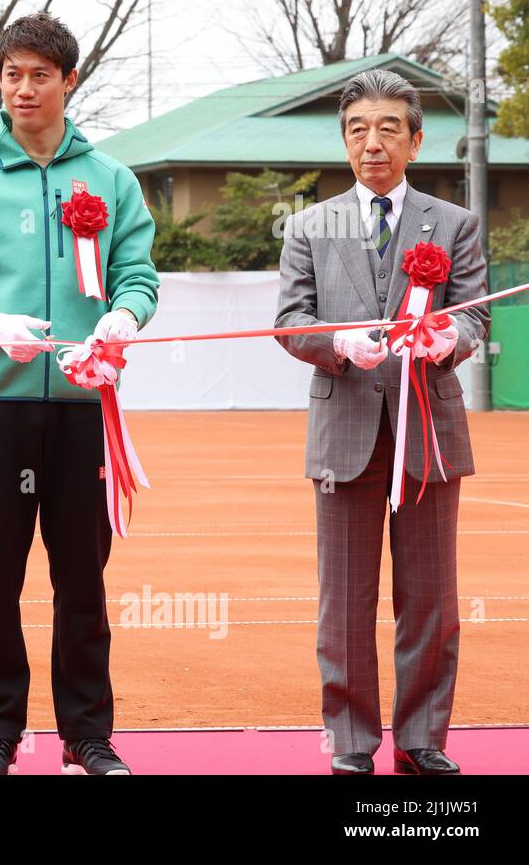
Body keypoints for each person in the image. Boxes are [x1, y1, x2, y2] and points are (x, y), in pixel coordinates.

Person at [0, 13, 159, 775]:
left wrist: (121, 317)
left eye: (40, 76)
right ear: (0, 81)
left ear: (68, 82)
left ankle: (87, 736)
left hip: (87, 410)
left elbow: (140, 279)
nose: (24, 89)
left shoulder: (113, 181)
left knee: (82, 580)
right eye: (13, 74)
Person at [275, 69, 489, 775]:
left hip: (428, 434)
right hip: (344, 434)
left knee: (429, 599)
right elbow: (290, 322)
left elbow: (473, 314)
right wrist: (338, 342)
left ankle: (422, 738)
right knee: (345, 601)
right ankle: (352, 741)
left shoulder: (453, 224)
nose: (373, 143)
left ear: (416, 140)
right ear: (344, 142)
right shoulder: (309, 225)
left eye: (388, 128)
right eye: (358, 129)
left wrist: (447, 339)